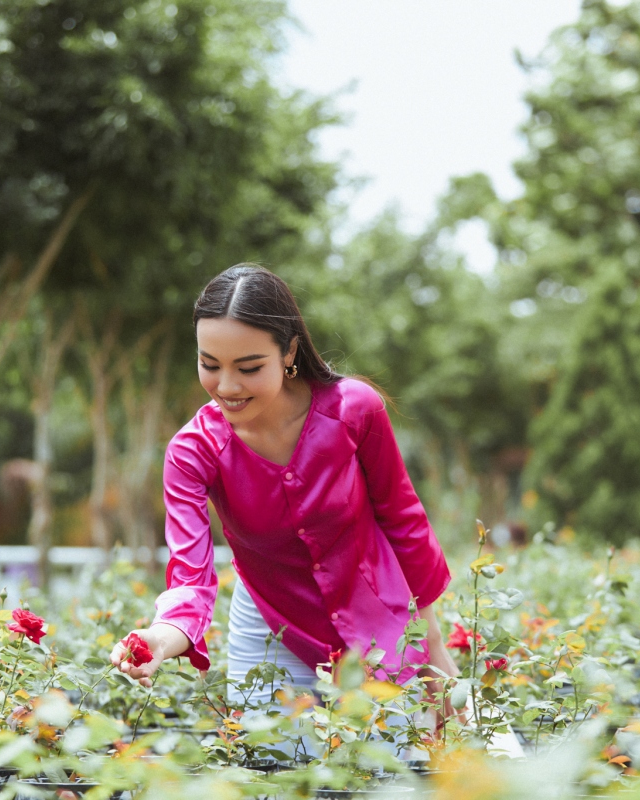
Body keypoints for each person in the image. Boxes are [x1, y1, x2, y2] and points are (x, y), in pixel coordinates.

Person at [109, 264, 457, 711]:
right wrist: (158, 638)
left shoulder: (354, 411)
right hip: (271, 633)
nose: (227, 386)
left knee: (387, 774)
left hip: (379, 619)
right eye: (209, 365)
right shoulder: (193, 452)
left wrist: (433, 650)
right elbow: (190, 578)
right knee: (272, 772)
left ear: (289, 351)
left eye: (249, 367)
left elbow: (403, 522)